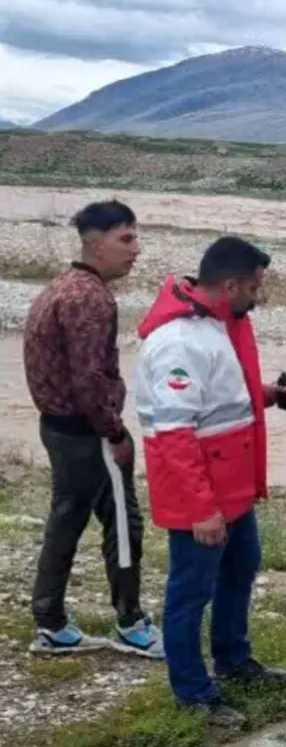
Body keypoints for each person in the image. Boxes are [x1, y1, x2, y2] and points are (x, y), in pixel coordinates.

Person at [134, 236, 286, 729]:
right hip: (201, 496)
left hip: (233, 490)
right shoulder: (178, 342)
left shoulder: (221, 326)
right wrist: (201, 509)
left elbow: (219, 404)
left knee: (239, 569)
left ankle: (234, 660)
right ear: (229, 285)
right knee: (190, 592)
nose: (258, 296)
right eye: (254, 286)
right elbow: (175, 434)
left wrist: (269, 394)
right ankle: (192, 692)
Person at [22, 199, 162, 658]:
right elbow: (89, 379)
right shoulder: (89, 298)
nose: (136, 250)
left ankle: (50, 620)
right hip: (87, 432)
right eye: (126, 239)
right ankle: (130, 622)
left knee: (67, 516)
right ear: (95, 244)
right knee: (124, 521)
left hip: (59, 426)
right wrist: (115, 433)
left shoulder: (61, 287)